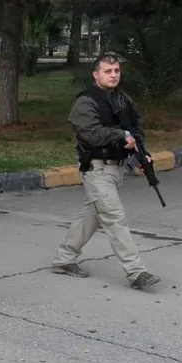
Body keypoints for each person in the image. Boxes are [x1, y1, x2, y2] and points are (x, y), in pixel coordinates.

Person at [52, 54, 160, 289]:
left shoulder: (122, 99)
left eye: (116, 71)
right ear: (96, 74)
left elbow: (135, 127)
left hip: (116, 169)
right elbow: (91, 134)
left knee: (90, 218)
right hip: (96, 170)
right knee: (114, 219)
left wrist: (142, 152)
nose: (113, 75)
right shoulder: (86, 101)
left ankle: (64, 259)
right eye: (108, 71)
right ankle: (136, 272)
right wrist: (122, 136)